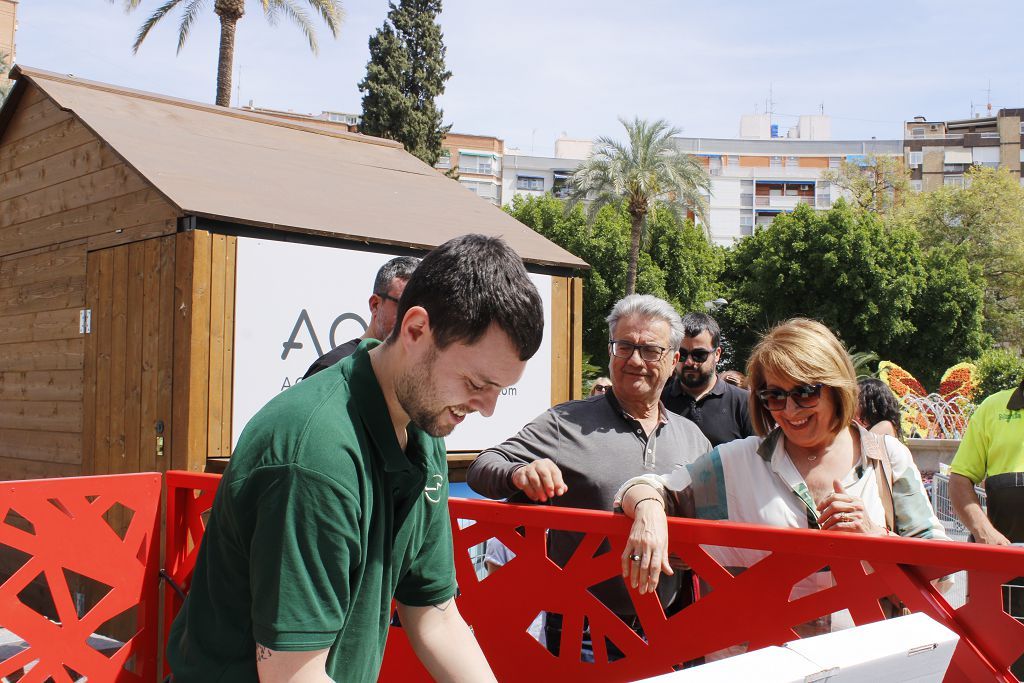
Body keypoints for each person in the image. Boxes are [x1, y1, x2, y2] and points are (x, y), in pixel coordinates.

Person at [166, 235, 545, 682]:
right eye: (475, 382)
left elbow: (435, 614)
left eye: (499, 388)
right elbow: (293, 675)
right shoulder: (315, 454)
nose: (487, 408)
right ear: (416, 330)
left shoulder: (426, 424)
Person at [618, 318, 948, 636]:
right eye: (775, 395)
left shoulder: (886, 459)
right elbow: (646, 488)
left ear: (836, 388)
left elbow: (942, 569)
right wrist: (648, 511)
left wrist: (877, 538)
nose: (790, 411)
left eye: (805, 393)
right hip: (759, 664)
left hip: (867, 664)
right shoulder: (736, 461)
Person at [467, 294, 711, 660]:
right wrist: (521, 473)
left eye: (650, 350)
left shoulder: (692, 436)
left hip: (670, 623)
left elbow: (712, 520)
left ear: (673, 360)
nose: (635, 360)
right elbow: (483, 466)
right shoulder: (566, 423)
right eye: (624, 346)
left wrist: (696, 552)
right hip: (582, 631)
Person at [949, 376, 1024, 675]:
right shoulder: (994, 408)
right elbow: (959, 479)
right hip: (1002, 580)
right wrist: (984, 531)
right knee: (1000, 667)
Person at [302, 255, 420, 378]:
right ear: (375, 305)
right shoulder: (332, 368)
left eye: (423, 309)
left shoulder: (418, 375)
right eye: (405, 306)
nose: (414, 318)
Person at [661, 313, 753, 447]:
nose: (689, 362)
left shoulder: (745, 403)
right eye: (683, 354)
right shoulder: (660, 402)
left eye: (699, 355)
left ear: (717, 354)